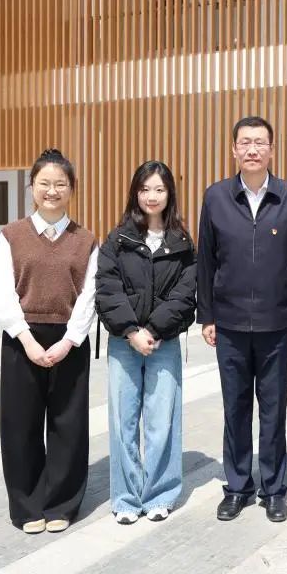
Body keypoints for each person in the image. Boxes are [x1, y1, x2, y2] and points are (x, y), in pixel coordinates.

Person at [197, 116, 287, 523]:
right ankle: (238, 486)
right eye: (245, 142)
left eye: (260, 142)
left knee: (273, 410)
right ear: (234, 149)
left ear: (271, 150)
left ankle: (274, 488)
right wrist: (206, 315)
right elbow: (206, 260)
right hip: (229, 323)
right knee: (235, 408)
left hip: (276, 324)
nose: (252, 149)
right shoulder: (216, 197)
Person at [0, 148, 98, 534]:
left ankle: (62, 504)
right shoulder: (11, 236)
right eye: (44, 183)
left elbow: (90, 296)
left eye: (60, 184)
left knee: (69, 426)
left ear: (72, 188)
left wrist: (69, 341)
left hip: (70, 340)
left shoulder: (85, 240)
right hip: (22, 339)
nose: (52, 191)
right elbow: (2, 294)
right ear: (32, 186)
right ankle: (26, 506)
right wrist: (27, 340)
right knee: (21, 426)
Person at [95, 161, 196, 525]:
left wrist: (153, 329)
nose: (152, 196)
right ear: (135, 194)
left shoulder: (181, 243)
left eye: (159, 189)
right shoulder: (118, 239)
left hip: (163, 343)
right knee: (123, 421)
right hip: (124, 342)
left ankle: (159, 495)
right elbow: (107, 288)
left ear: (170, 194)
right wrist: (131, 331)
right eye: (145, 189)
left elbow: (186, 293)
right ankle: (125, 498)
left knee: (162, 421)